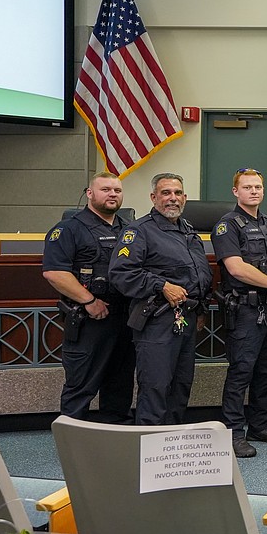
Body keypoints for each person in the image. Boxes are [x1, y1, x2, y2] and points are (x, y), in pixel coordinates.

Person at [109, 173, 213, 425]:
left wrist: (200, 310)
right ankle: (148, 447)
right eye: (166, 193)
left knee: (180, 386)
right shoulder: (139, 231)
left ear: (185, 198)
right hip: (157, 321)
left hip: (185, 319)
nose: (172, 199)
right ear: (153, 197)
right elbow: (121, 273)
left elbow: (199, 274)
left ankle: (170, 449)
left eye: (177, 193)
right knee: (155, 387)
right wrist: (161, 285)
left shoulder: (188, 231)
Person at [210, 168, 267, 458]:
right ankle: (233, 432)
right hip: (245, 309)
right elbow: (235, 267)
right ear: (236, 191)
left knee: (266, 370)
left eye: (258, 186)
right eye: (247, 187)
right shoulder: (227, 225)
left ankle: (259, 425)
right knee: (241, 371)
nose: (254, 191)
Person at [42, 172, 135, 423]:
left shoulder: (129, 230)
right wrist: (89, 301)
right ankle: (72, 444)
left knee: (120, 384)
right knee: (80, 384)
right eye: (105, 190)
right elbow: (54, 272)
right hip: (89, 320)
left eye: (116, 190)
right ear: (90, 193)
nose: (112, 194)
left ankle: (116, 438)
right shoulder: (68, 229)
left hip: (125, 317)